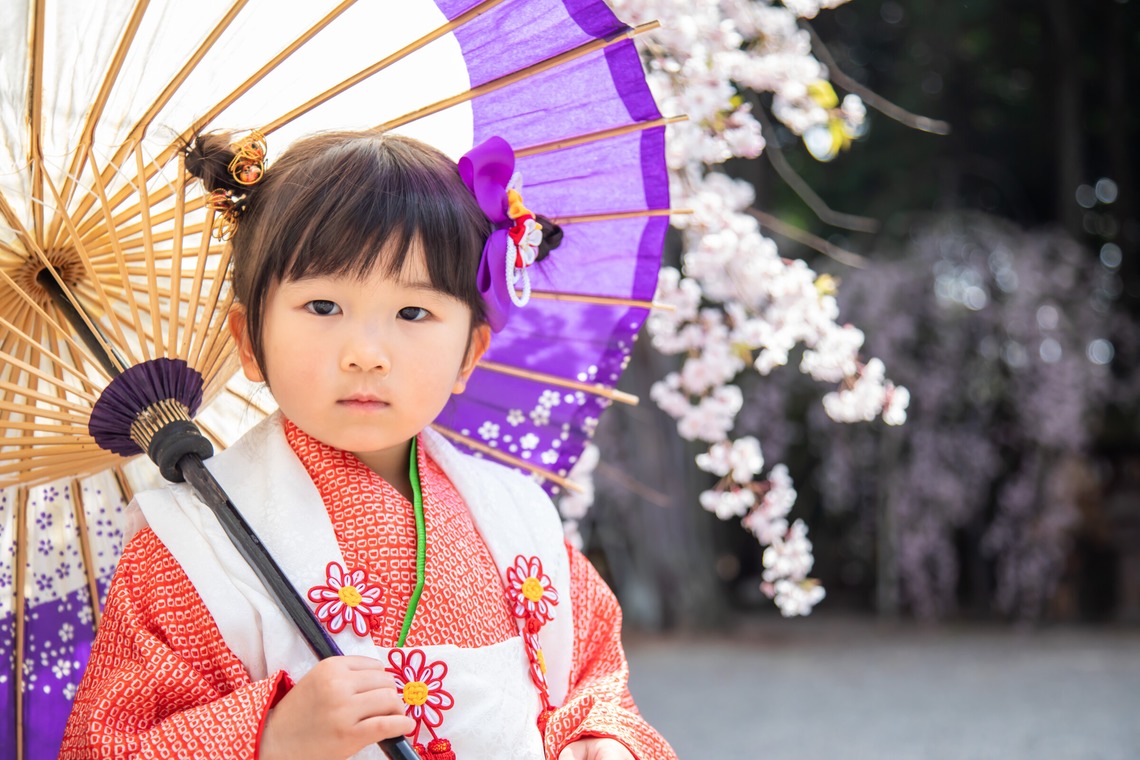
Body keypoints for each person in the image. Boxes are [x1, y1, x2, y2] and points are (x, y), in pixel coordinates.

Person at [60, 129, 677, 760]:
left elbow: (595, 676)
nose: (366, 355)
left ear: (470, 352)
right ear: (249, 339)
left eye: (413, 314)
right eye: (323, 305)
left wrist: (602, 741)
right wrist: (273, 739)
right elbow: (107, 745)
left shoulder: (518, 515)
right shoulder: (192, 547)